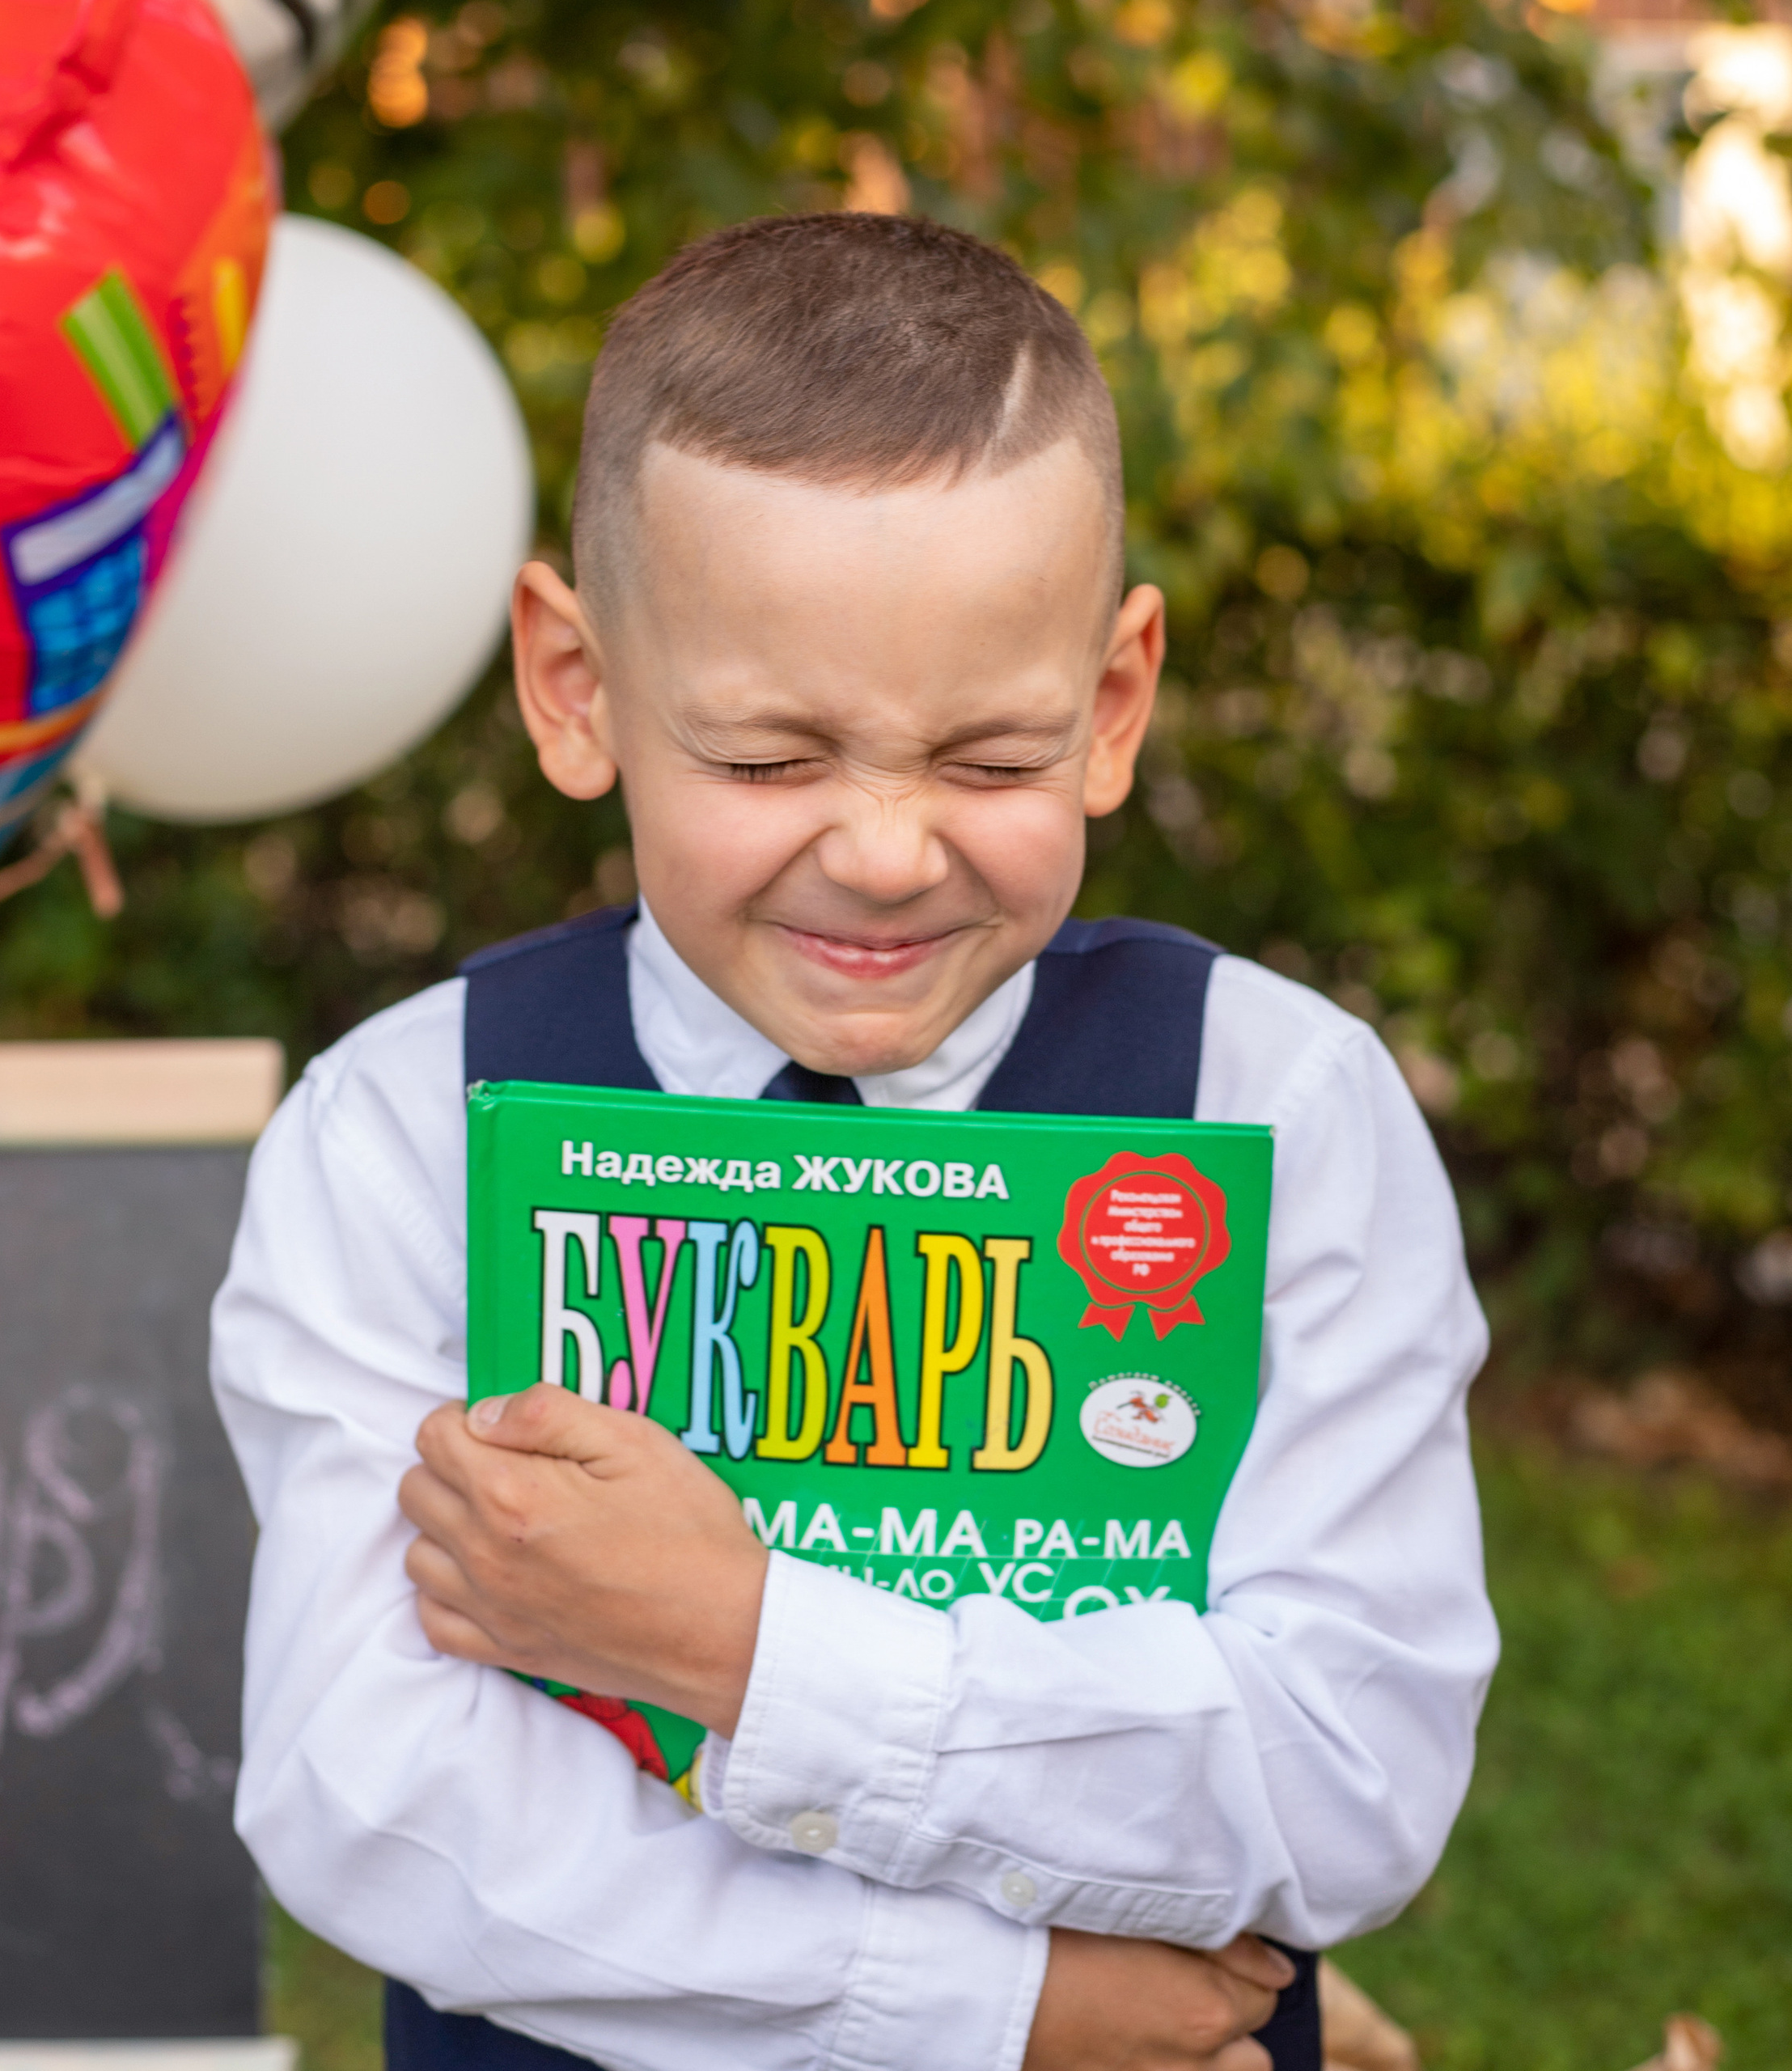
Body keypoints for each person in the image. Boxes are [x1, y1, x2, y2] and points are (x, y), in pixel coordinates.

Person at [210, 213, 1497, 2071]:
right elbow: (376, 1785)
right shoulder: (407, 1129)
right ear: (576, 689)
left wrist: (738, 1638)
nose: (885, 850)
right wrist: (989, 2004)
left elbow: (1344, 1771)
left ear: (1113, 701)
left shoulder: (1274, 1108)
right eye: (764, 760)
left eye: (988, 761)